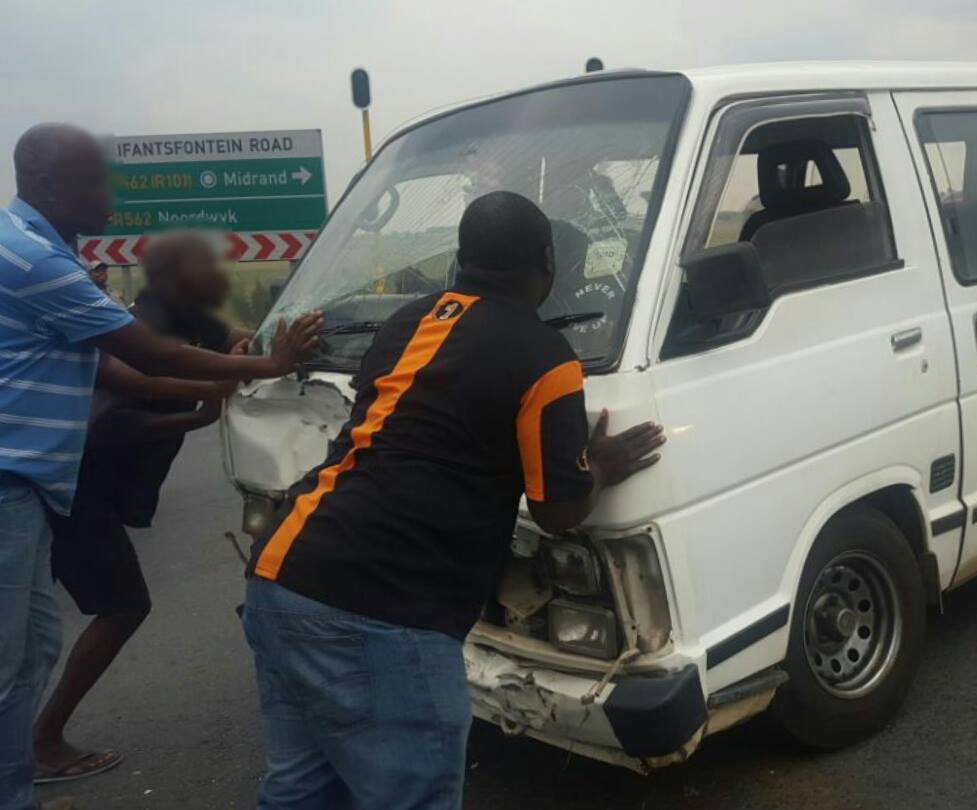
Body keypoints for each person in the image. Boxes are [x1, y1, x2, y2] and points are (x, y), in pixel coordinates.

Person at [242, 191, 664, 809]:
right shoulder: (546, 358)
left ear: (462, 259)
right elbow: (557, 511)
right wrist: (597, 466)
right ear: (548, 261)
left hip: (282, 574)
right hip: (383, 610)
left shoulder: (407, 322)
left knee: (302, 789)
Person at [0, 123, 322, 810]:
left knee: (28, 649)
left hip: (37, 488)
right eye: (94, 181)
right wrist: (265, 367)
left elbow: (122, 363)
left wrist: (223, 377)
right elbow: (143, 362)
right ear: (51, 185)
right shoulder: (37, 262)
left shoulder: (40, 254)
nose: (109, 195)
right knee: (19, 657)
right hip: (22, 482)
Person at [33, 232, 253, 785]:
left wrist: (246, 347)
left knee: (33, 629)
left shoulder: (189, 316)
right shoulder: (144, 326)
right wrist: (195, 417)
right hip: (77, 493)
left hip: (93, 494)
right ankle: (42, 742)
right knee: (122, 606)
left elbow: (232, 344)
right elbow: (104, 422)